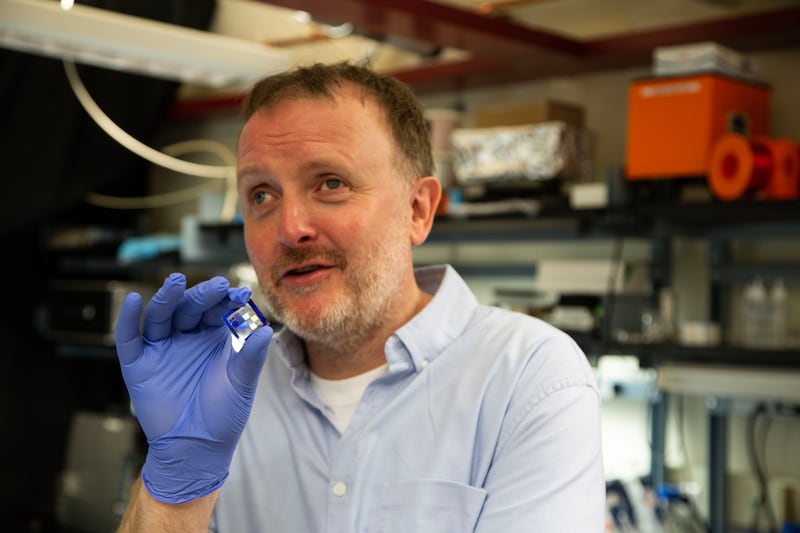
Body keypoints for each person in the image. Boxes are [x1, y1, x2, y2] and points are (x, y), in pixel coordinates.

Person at [114, 60, 605, 532]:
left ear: (417, 210)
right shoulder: (228, 392)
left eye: (331, 183)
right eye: (261, 195)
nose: (290, 229)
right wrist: (175, 478)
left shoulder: (528, 378)